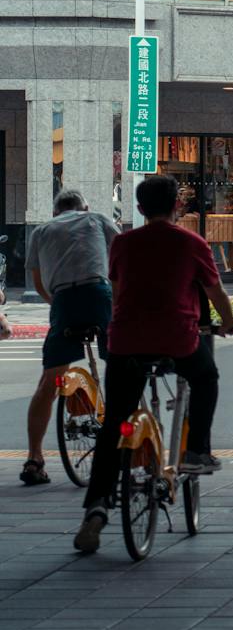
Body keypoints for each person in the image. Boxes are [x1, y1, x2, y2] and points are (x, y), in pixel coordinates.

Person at [72, 175, 233, 554]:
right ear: (177, 205)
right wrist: (229, 323)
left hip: (126, 341)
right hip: (177, 339)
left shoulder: (123, 244)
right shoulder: (191, 243)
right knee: (205, 376)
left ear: (141, 207)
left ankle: (96, 508)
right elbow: (216, 294)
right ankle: (196, 449)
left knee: (114, 422)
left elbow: (118, 292)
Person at [21, 190, 117, 487]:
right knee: (121, 362)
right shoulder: (97, 219)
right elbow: (120, 256)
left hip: (63, 301)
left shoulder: (41, 231)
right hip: (99, 294)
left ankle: (34, 459)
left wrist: (58, 304)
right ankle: (125, 446)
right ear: (85, 207)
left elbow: (37, 282)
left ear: (54, 212)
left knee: (48, 382)